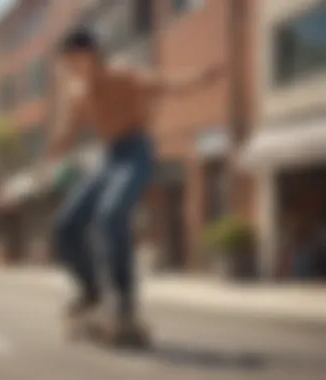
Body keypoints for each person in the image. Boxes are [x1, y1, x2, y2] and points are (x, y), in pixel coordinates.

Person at [39, 28, 224, 343]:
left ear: (93, 54)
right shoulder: (77, 93)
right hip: (108, 158)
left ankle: (125, 306)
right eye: (66, 64)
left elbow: (163, 82)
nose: (71, 69)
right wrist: (48, 158)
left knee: (110, 216)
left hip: (136, 152)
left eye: (75, 60)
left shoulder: (121, 74)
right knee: (66, 225)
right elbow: (66, 133)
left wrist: (200, 78)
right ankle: (91, 290)